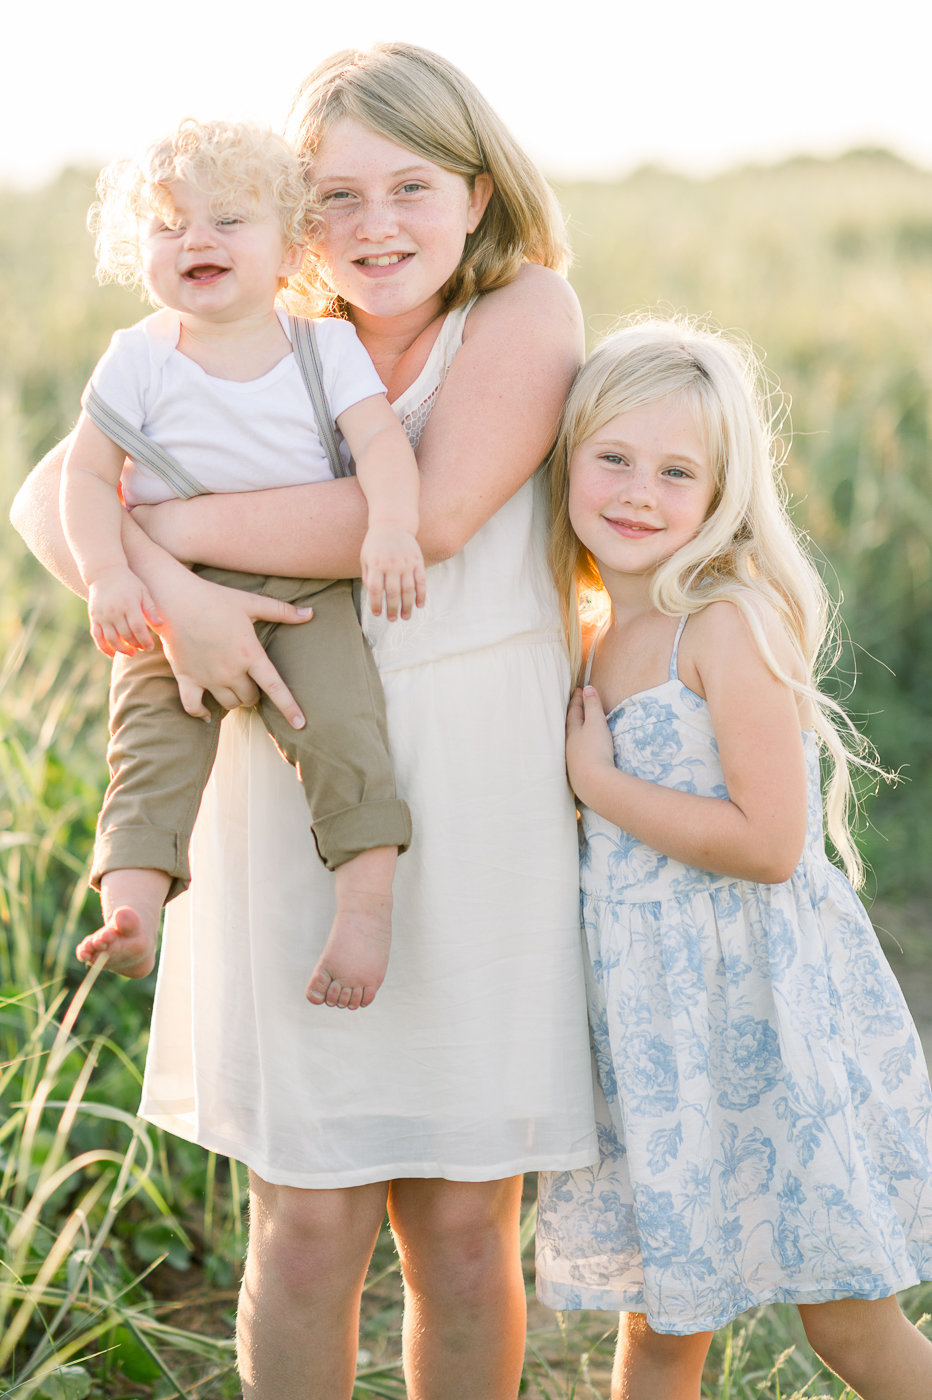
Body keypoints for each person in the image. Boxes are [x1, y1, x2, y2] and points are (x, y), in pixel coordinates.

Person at [11, 43, 597, 1400]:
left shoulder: (522, 313)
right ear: (287, 205)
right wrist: (181, 606)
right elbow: (48, 504)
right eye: (334, 196)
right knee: (309, 1219)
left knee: (462, 1229)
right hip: (289, 797)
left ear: (476, 191)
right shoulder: (239, 332)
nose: (374, 225)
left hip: (479, 801)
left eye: (411, 187)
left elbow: (433, 518)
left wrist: (161, 531)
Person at [534, 315, 932, 1400]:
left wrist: (598, 783)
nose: (635, 491)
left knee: (848, 1318)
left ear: (719, 494)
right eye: (610, 457)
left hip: (760, 1007)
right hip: (655, 1025)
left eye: (674, 471)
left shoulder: (723, 619)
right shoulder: (582, 627)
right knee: (665, 1317)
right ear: (565, 458)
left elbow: (767, 843)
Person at [63, 118, 425, 1012]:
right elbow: (84, 475)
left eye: (229, 219)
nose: (197, 240)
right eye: (169, 224)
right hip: (165, 597)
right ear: (135, 249)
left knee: (344, 726)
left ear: (292, 242)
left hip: (304, 590)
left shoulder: (318, 346)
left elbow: (380, 442)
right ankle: (133, 907)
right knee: (149, 740)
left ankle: (365, 906)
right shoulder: (139, 358)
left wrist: (390, 528)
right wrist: (110, 575)